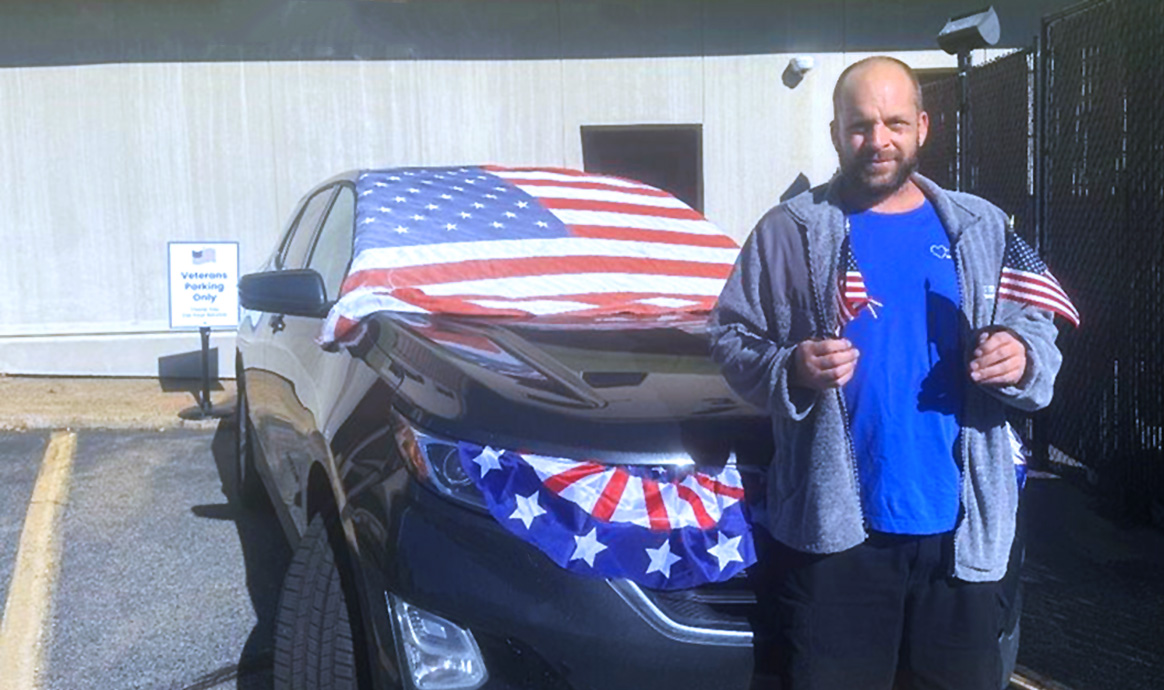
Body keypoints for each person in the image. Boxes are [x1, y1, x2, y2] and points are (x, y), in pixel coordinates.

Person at [710, 56, 1066, 690]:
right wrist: (789, 367)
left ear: (923, 127)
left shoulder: (982, 227)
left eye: (895, 122)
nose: (878, 140)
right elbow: (732, 338)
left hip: (963, 533)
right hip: (835, 536)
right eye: (860, 125)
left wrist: (1024, 355)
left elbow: (1039, 325)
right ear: (834, 132)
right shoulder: (788, 231)